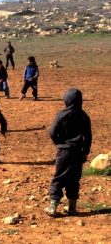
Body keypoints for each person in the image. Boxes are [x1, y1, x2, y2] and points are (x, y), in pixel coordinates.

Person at [44, 88, 92, 217]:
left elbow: (53, 131)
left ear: (66, 99)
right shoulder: (84, 116)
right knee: (74, 178)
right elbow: (88, 136)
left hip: (64, 151)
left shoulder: (62, 114)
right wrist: (85, 152)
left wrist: (59, 143)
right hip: (78, 152)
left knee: (59, 177)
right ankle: (72, 207)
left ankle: (53, 207)